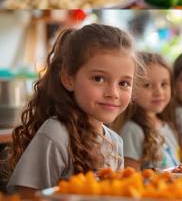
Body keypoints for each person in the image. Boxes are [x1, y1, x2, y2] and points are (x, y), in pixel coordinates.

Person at [6, 24, 138, 198]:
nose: (113, 93)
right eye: (98, 78)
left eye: (124, 83)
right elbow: (27, 196)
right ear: (68, 79)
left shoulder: (115, 141)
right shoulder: (56, 133)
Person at [113, 52, 182, 170]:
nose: (159, 92)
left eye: (164, 84)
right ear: (132, 89)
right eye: (147, 85)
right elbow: (131, 176)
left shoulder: (167, 125)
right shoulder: (133, 130)